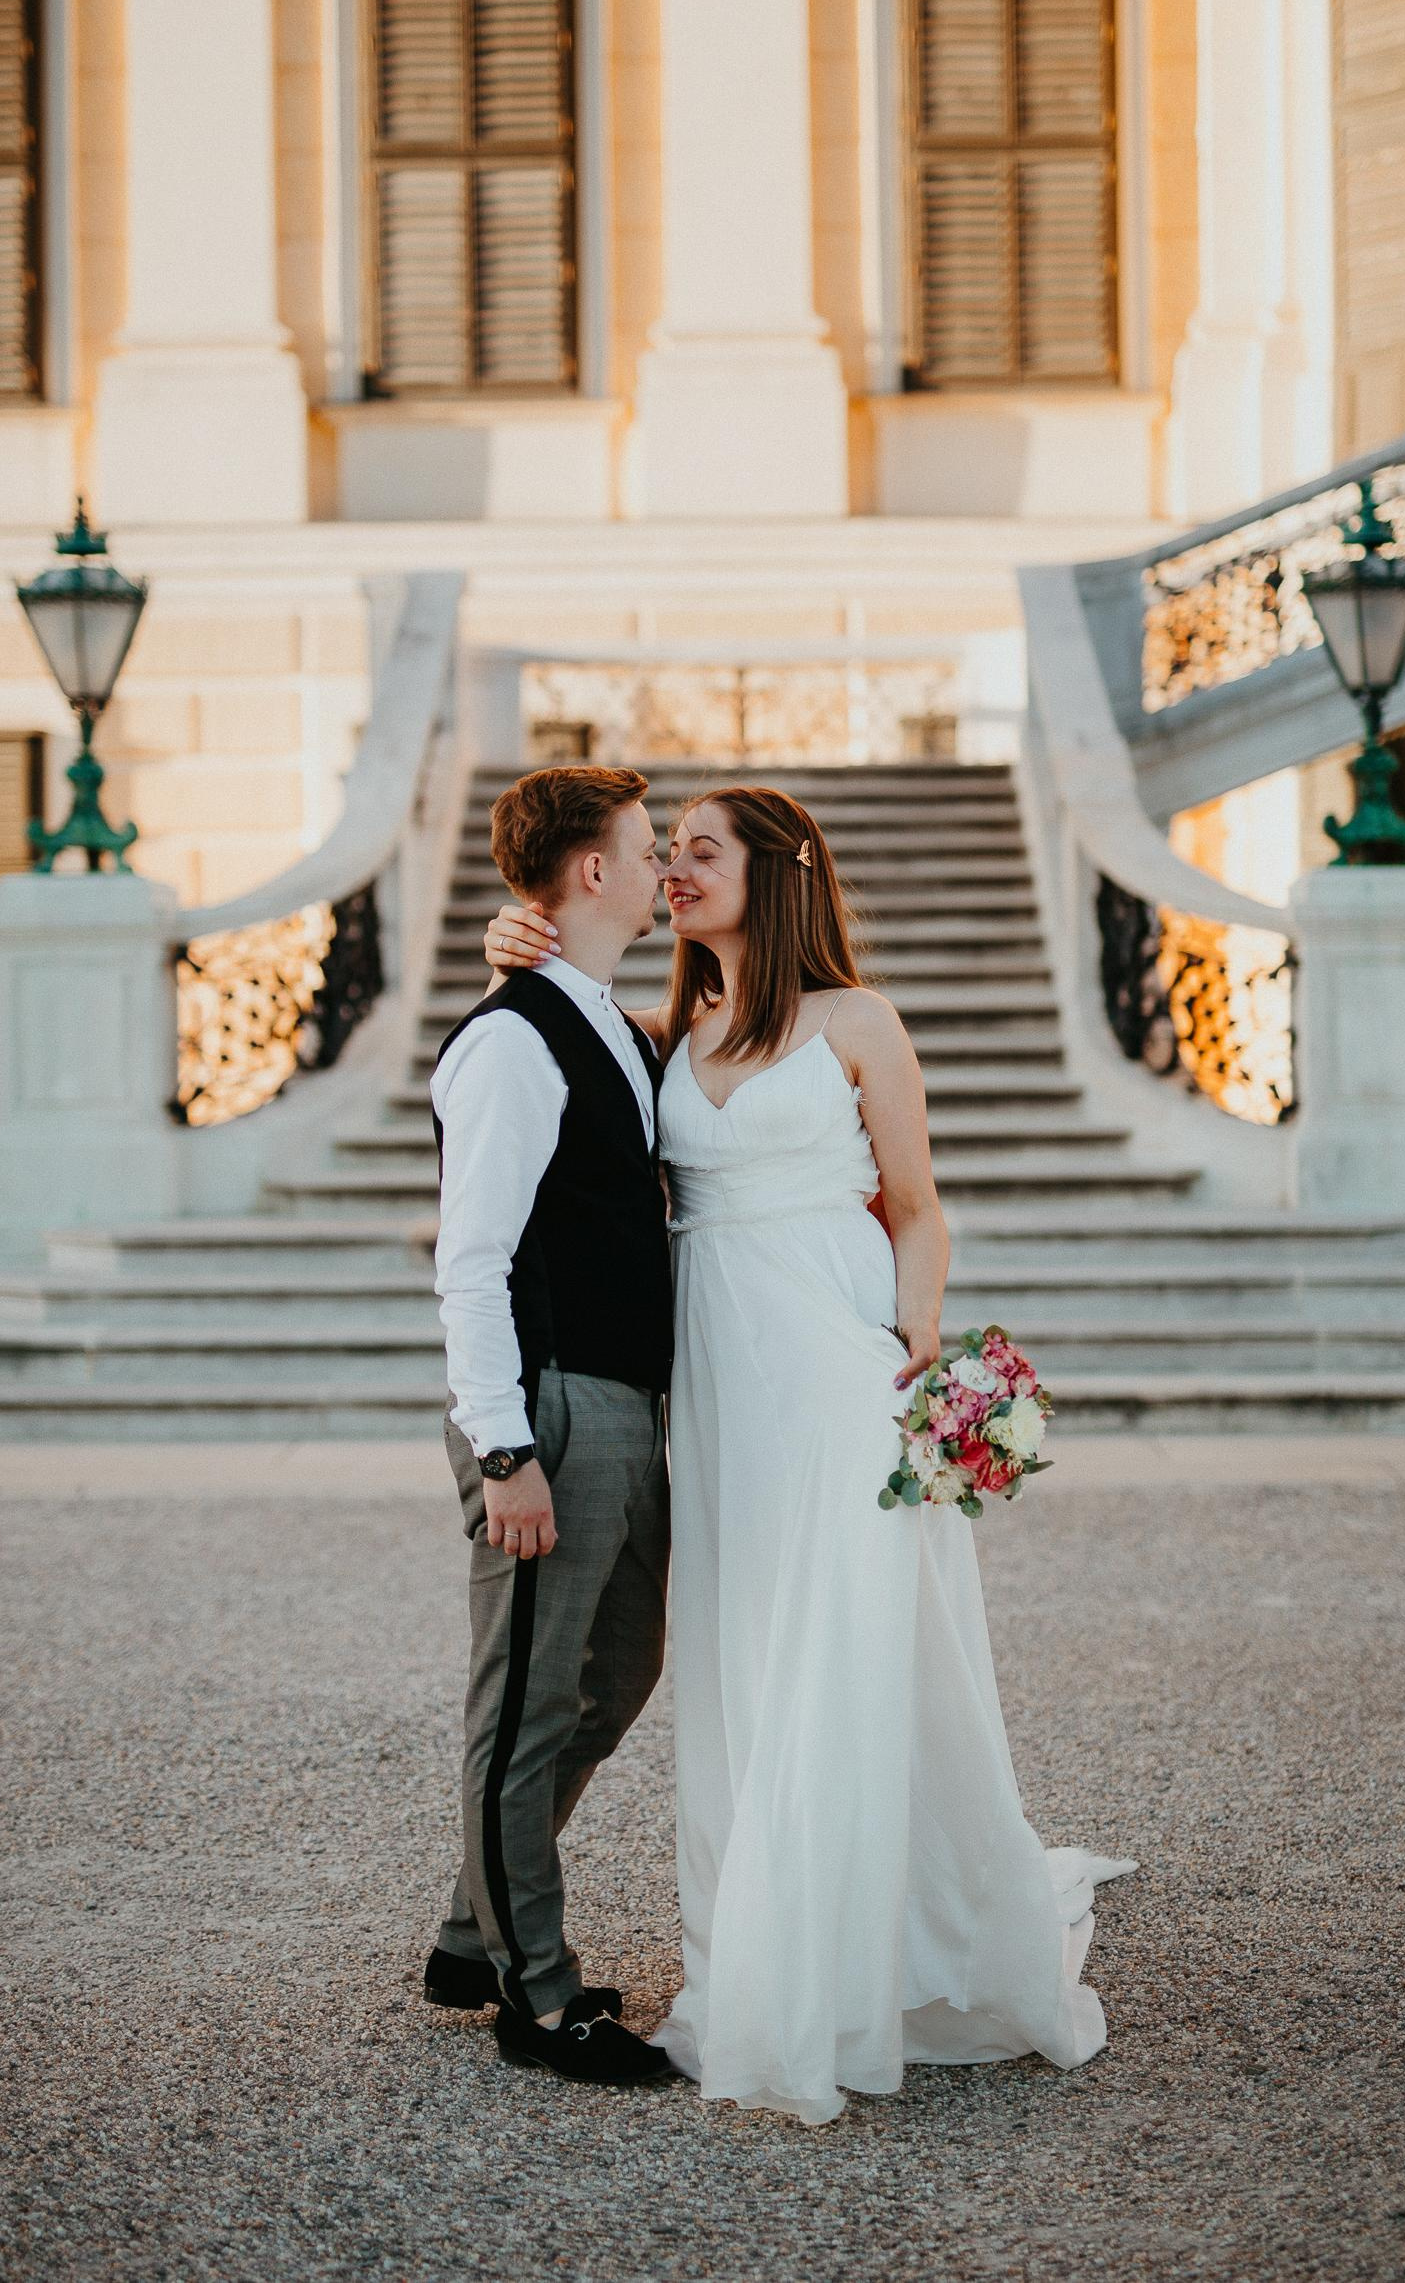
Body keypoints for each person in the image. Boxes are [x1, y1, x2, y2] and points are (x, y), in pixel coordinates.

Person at [480, 779, 1133, 2125]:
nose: (672, 873)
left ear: (778, 869)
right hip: (719, 1392)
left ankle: (819, 1980)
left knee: (837, 1649)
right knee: (747, 1658)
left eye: (700, 852)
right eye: (663, 855)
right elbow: (551, 1061)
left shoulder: (857, 1022)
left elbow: (917, 1204)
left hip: (839, 1376)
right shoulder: (669, 1025)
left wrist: (923, 1342)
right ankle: (776, 1940)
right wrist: (515, 946)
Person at [425, 765, 679, 2088]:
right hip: (553, 1407)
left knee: (617, 1673)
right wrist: (507, 1448)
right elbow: (470, 1263)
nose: (659, 871)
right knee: (520, 1708)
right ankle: (538, 1995)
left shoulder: (603, 1022)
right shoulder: (512, 1040)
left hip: (626, 1403)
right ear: (591, 873)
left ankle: (476, 1930)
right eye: (644, 849)